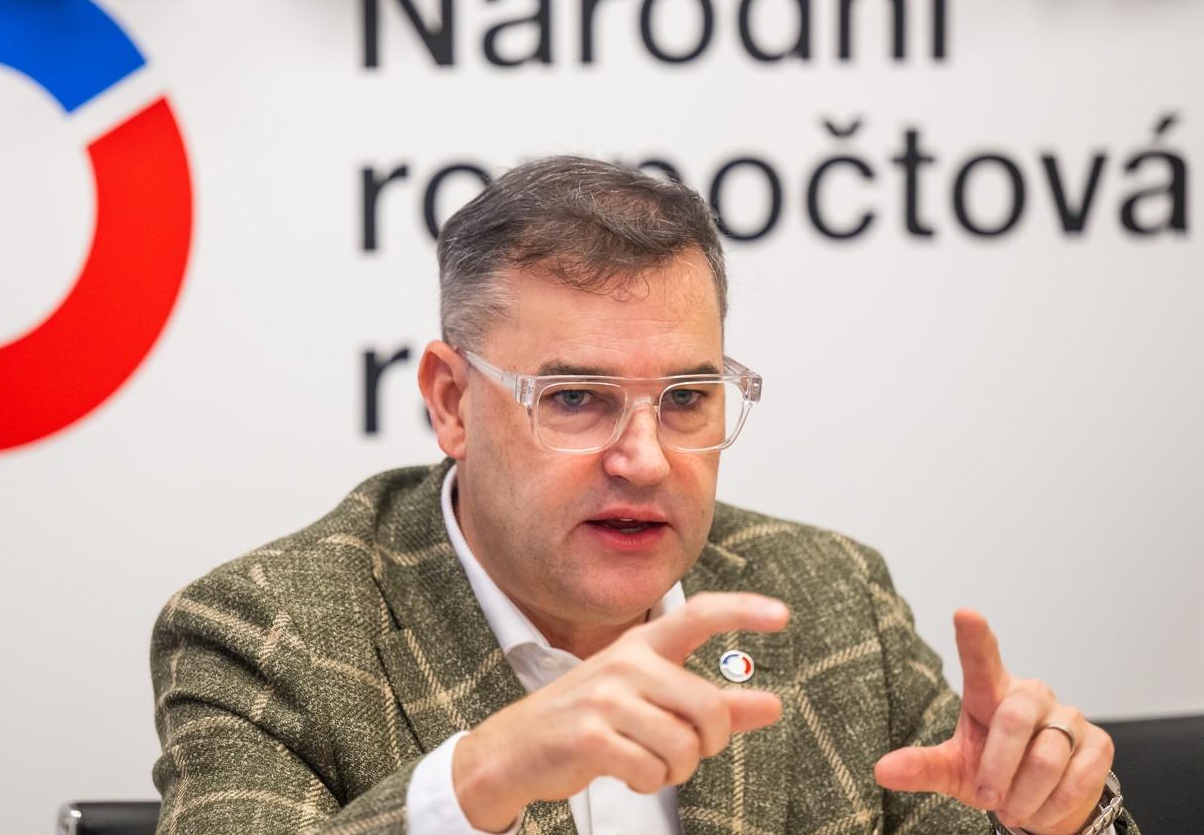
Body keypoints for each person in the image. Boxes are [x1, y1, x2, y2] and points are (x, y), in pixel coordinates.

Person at [149, 157, 1136, 835]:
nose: (645, 460)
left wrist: (1048, 818)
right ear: (450, 402)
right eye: (575, 398)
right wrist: (480, 777)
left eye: (686, 399)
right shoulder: (269, 631)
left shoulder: (828, 601)